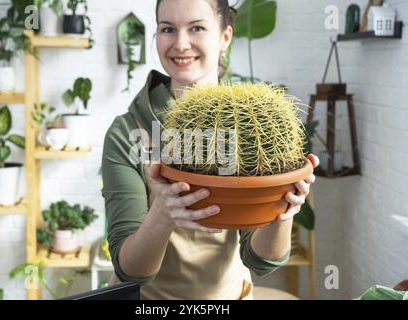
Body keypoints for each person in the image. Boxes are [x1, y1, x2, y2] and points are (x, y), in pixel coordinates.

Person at [102, 0, 319, 300]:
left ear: (224, 37)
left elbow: (261, 260)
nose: (180, 43)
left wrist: (284, 206)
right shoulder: (128, 131)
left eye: (197, 28)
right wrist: (163, 213)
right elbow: (130, 270)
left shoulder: (250, 124)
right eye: (168, 29)